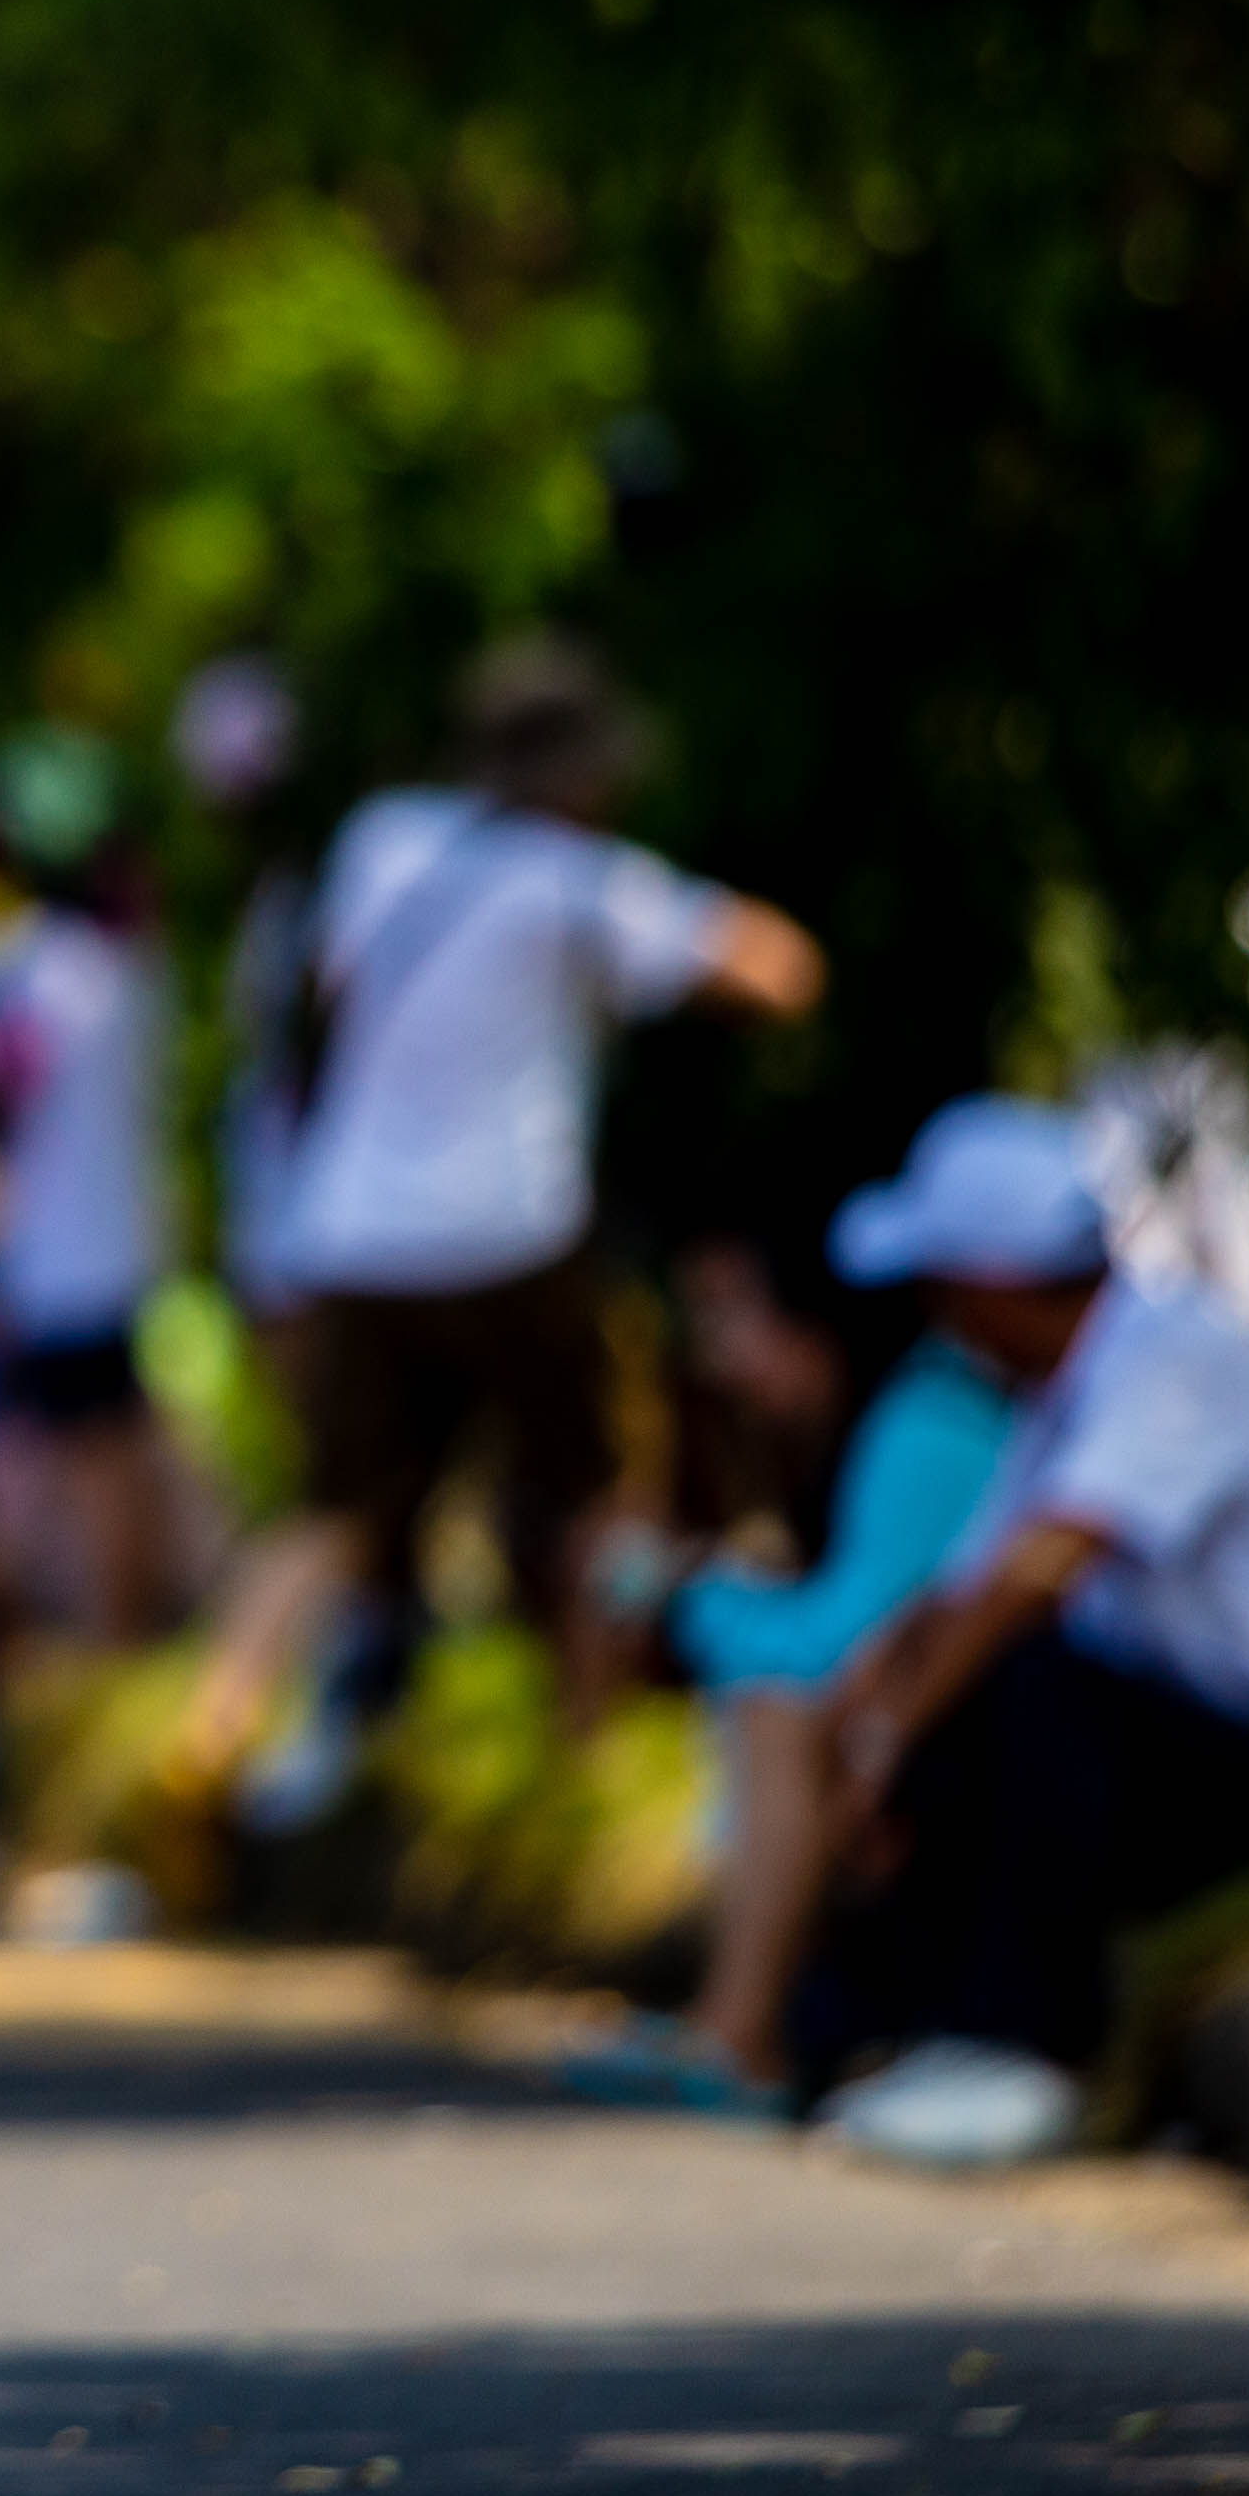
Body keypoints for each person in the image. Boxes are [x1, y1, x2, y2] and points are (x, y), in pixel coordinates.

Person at [180, 637, 823, 1829]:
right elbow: (780, 969)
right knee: (597, 1491)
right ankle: (589, 1762)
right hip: (509, 1234)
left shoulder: (385, 842)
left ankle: (208, 1740)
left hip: (352, 1230)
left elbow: (324, 1000)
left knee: (337, 1509)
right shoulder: (578, 881)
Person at [778, 1098, 1249, 2163]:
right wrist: (865, 1714)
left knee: (1035, 1685)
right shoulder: (1064, 1393)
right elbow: (958, 1599)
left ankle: (1028, 2057)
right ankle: (881, 2036)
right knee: (977, 1700)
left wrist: (886, 1737)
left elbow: (1041, 1573)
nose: (934, 1318)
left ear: (989, 1285)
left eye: (938, 1289)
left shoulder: (1176, 1351)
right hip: (1223, 1746)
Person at [558, 1234, 1022, 2120]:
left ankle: (739, 2034)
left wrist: (677, 1592)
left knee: (776, 1704)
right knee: (773, 1701)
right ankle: (734, 2025)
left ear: (816, 1323)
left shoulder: (927, 1423)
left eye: (737, 1319)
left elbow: (827, 1649)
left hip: (997, 1735)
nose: (717, 1358)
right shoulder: (873, 1422)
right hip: (955, 1723)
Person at [0, 724, 178, 1646]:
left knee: (88, 1463)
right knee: (115, 1450)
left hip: (58, 1261)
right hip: (118, 1240)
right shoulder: (130, 961)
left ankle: (112, 1641)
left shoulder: (34, 971)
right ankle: (115, 1636)